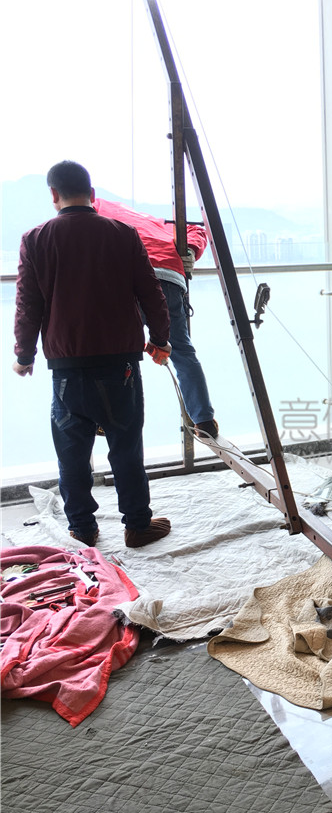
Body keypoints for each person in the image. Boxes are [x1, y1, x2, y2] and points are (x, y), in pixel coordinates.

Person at [13, 161, 173, 549]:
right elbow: (151, 293)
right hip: (120, 364)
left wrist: (24, 354)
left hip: (66, 367)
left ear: (54, 195)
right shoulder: (122, 234)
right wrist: (161, 339)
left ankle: (82, 527)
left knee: (72, 453)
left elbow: (28, 304)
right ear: (93, 194)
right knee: (126, 446)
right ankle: (137, 525)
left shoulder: (35, 239)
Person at [93, 197, 218, 439]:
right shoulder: (159, 224)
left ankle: (105, 418)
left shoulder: (98, 208)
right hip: (169, 279)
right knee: (183, 351)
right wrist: (190, 251)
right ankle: (204, 422)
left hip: (129, 278)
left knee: (116, 351)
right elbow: (197, 231)